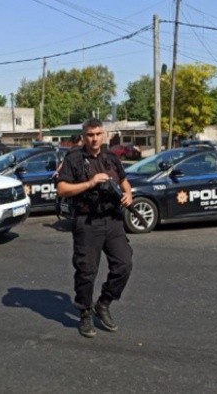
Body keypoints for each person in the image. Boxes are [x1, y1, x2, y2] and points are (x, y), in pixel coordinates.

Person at [57, 118, 134, 338]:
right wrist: (90, 183)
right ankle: (85, 313)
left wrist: (129, 194)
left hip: (112, 220)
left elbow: (124, 181)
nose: (95, 139)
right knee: (86, 271)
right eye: (90, 135)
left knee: (124, 264)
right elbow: (62, 189)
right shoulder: (73, 159)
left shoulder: (111, 158)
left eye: (98, 134)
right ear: (84, 136)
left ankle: (103, 303)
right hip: (87, 222)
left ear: (104, 135)